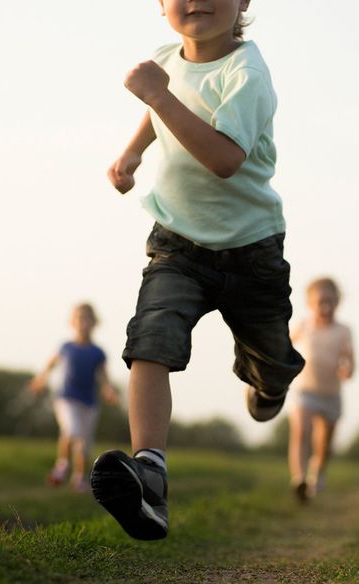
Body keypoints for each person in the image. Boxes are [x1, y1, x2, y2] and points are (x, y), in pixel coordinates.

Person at [90, 0, 304, 540]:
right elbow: (158, 111)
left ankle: (268, 381)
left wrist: (158, 93)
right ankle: (150, 473)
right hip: (178, 244)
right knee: (151, 339)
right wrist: (132, 153)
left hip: (252, 253)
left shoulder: (247, 73)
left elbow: (225, 160)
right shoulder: (167, 60)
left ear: (244, 4)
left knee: (272, 361)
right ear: (160, 6)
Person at [30, 304, 118, 492]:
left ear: (95, 323)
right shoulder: (66, 347)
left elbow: (103, 376)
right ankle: (61, 467)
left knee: (84, 444)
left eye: (87, 318)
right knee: (71, 430)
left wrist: (108, 390)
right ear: (72, 322)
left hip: (89, 402)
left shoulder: (98, 352)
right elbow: (50, 364)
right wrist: (41, 379)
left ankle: (79, 479)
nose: (83, 322)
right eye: (79, 318)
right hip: (66, 398)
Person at [288, 278, 355, 502]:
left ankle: (318, 472)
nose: (325, 307)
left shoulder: (343, 331)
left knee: (324, 446)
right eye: (321, 302)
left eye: (330, 302)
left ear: (338, 303)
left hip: (331, 394)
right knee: (301, 433)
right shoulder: (303, 326)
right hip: (305, 390)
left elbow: (350, 361)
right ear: (310, 303)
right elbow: (284, 346)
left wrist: (347, 370)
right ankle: (299, 479)